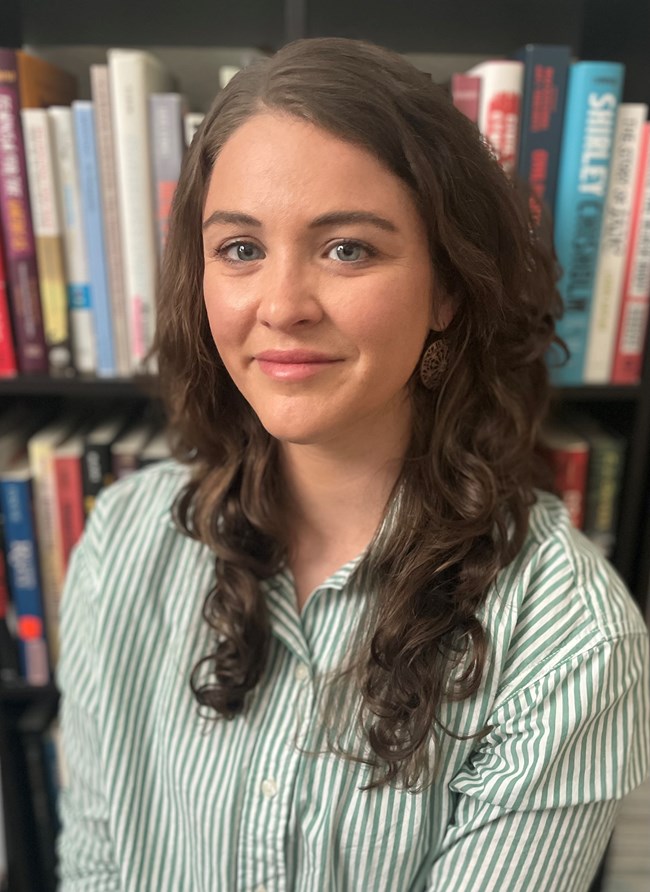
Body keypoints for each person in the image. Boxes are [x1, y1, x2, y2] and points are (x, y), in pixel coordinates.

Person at [56, 37, 649, 891]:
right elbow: (98, 863)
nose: (283, 307)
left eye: (348, 250)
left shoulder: (570, 640)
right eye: (240, 249)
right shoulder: (121, 544)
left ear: (448, 289)